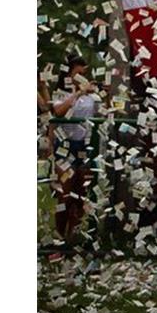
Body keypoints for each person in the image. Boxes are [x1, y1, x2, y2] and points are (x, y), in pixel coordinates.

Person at [51, 56, 101, 246]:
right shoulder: (62, 93)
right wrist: (78, 92)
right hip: (65, 145)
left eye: (84, 74)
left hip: (84, 145)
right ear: (70, 73)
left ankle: (72, 236)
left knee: (80, 192)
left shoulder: (90, 96)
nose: (82, 77)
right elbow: (59, 112)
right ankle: (59, 235)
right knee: (65, 191)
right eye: (78, 74)